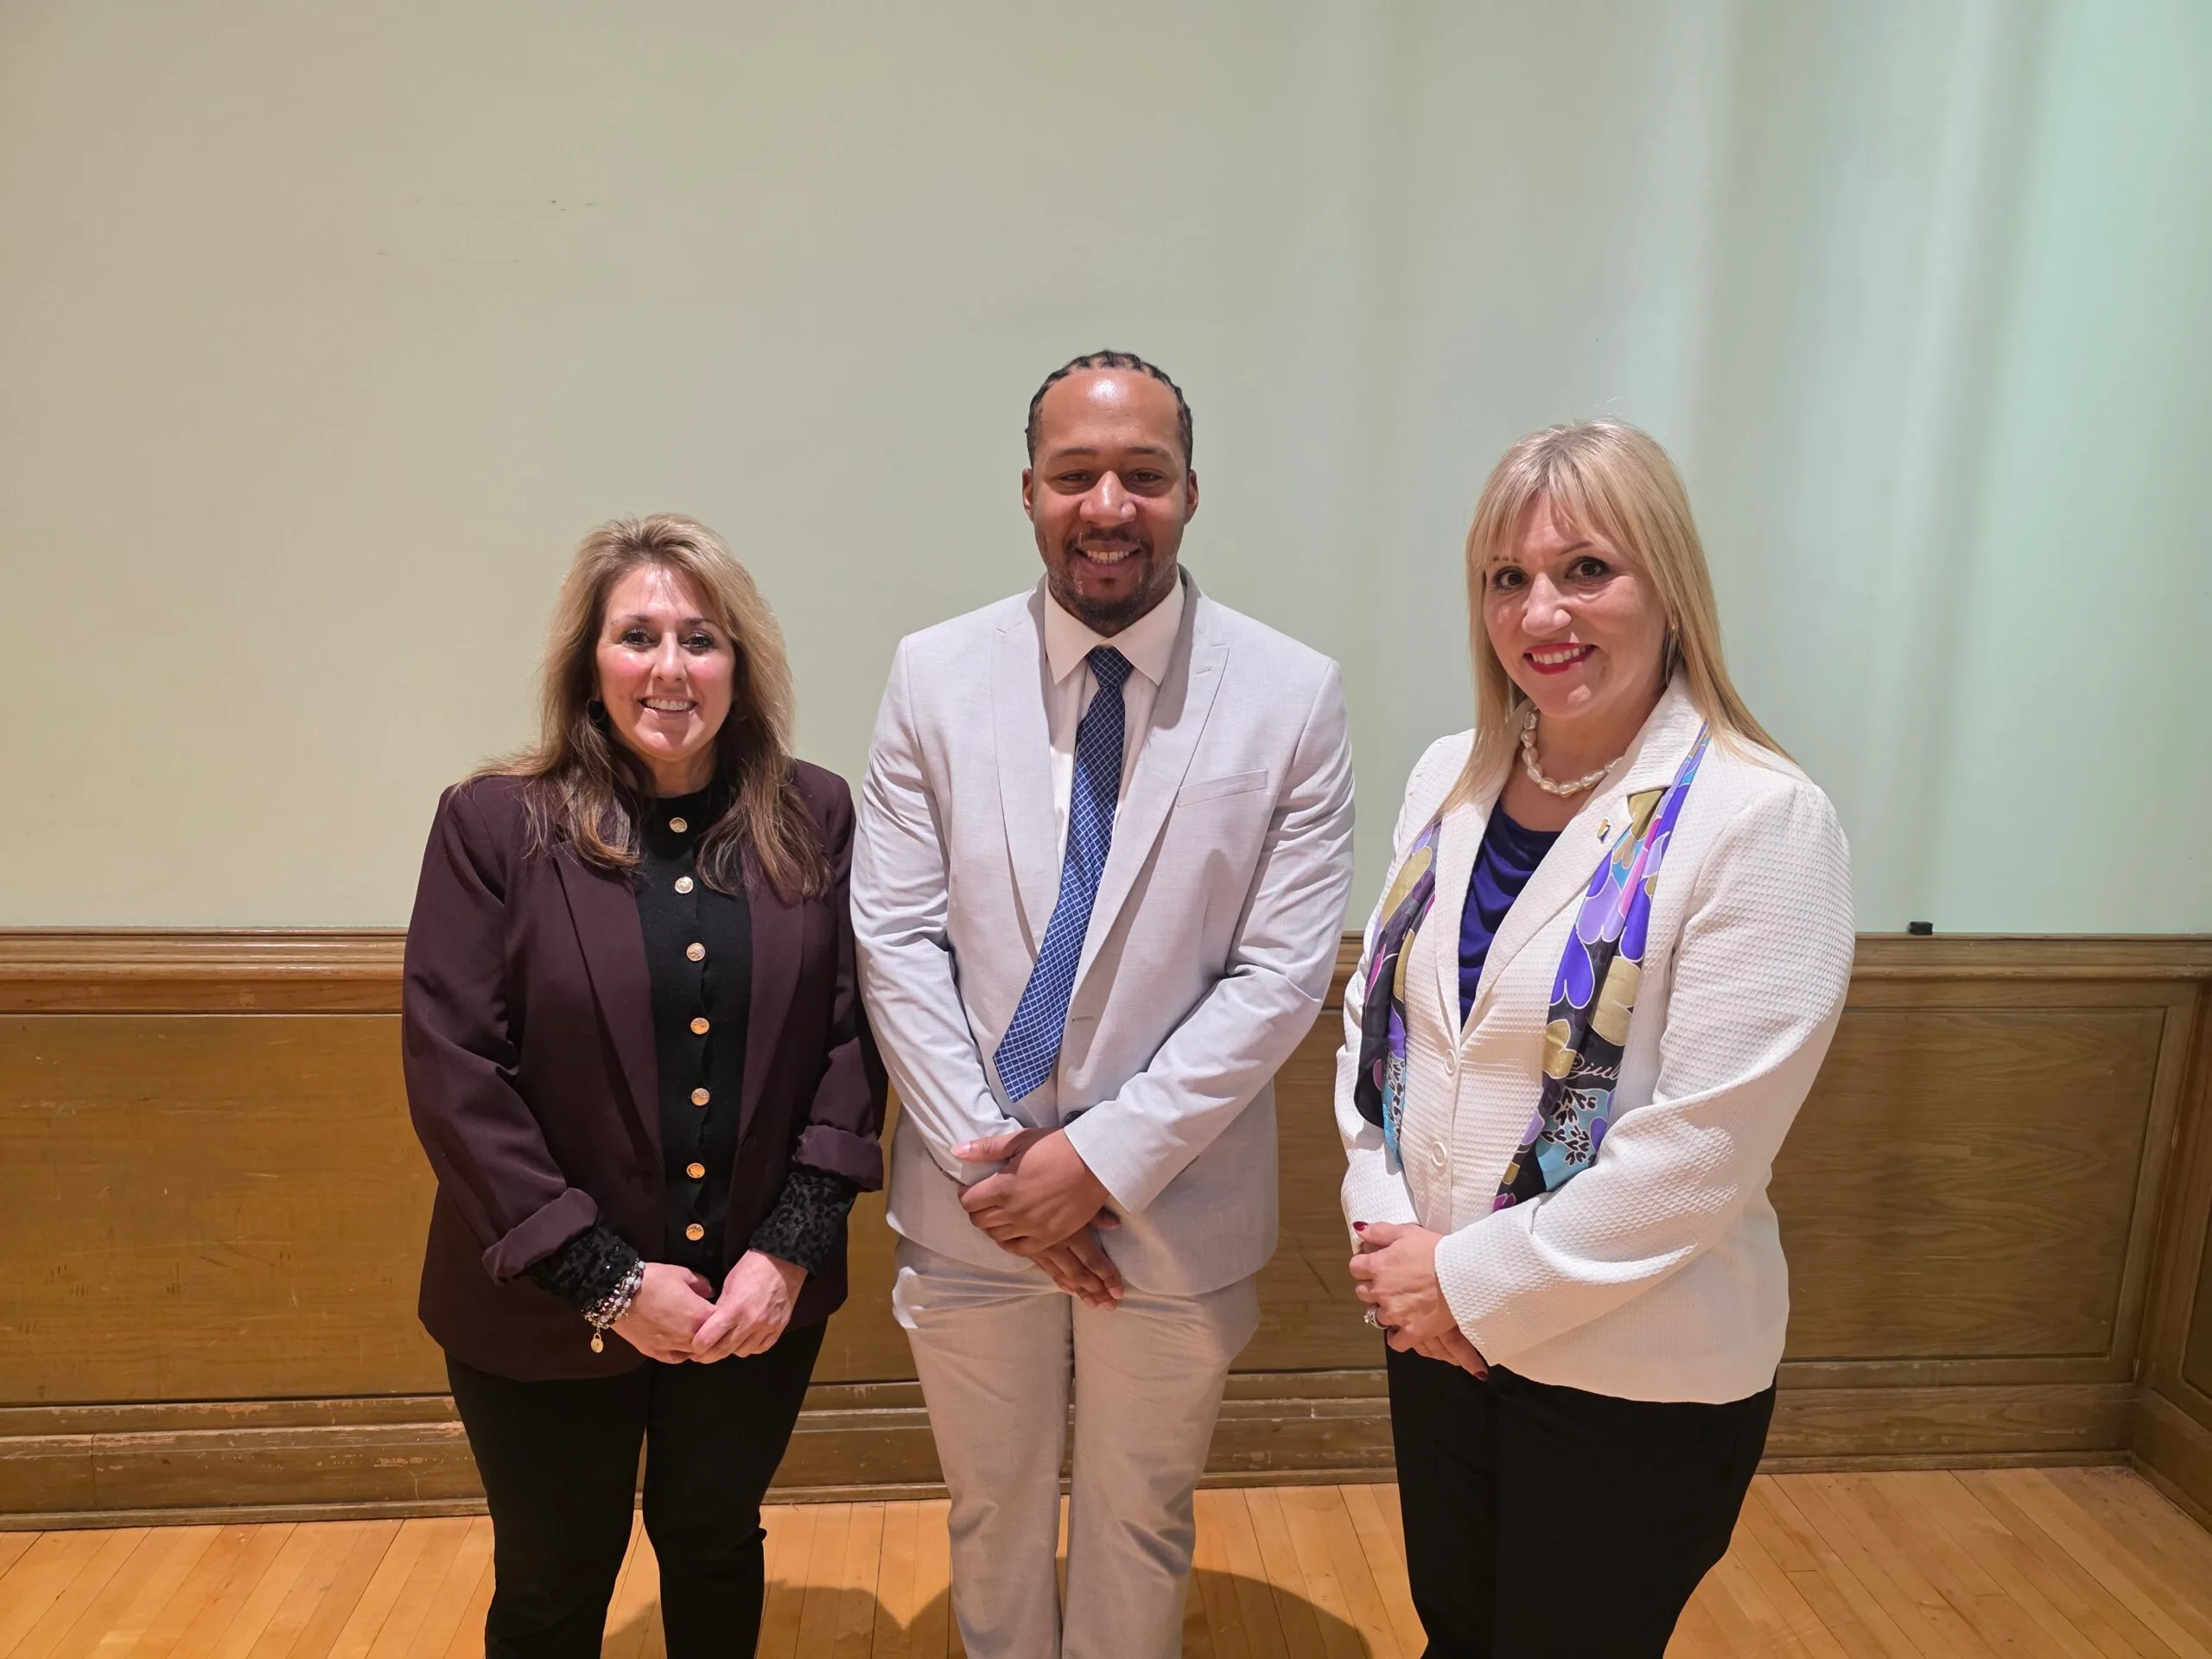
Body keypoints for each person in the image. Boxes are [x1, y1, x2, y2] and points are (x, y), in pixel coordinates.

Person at [852, 350, 1355, 1659]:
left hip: (1177, 1202)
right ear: (1028, 490)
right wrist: (1001, 1170)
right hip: (972, 1204)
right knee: (991, 1517)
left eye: (1145, 473)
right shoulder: (933, 674)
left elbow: (1281, 974)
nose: (1110, 505)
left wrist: (1097, 1163)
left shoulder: (1292, 693)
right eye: (1076, 474)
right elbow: (896, 937)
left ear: (1192, 490)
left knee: (1141, 1523)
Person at [1338, 422, 1853, 1656]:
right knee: (1458, 1633)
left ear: (1668, 584)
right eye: (1506, 578)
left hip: (1634, 1366)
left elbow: (1698, 1155)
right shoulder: (1447, 778)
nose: (1541, 612)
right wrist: (1396, 1248)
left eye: (1586, 570)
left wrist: (1463, 1285)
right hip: (1436, 1335)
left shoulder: (1760, 816)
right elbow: (1379, 1040)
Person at [401, 514, 886, 1658]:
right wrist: (607, 1282)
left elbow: (853, 1041)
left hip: (752, 1298)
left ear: (740, 666)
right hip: (544, 1303)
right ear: (590, 664)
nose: (670, 667)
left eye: (700, 639)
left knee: (715, 1542)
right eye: (638, 636)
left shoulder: (814, 817)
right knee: (554, 1579)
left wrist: (790, 1248)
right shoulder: (493, 826)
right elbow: (456, 1070)